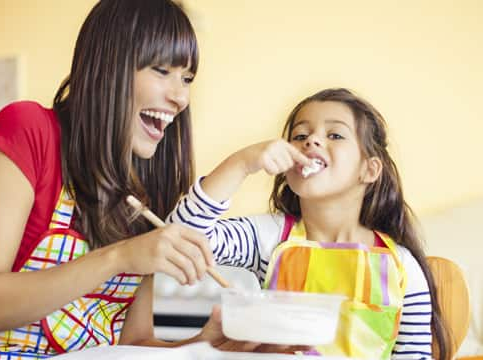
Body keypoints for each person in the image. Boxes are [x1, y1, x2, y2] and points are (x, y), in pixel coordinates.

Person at [0, 1, 279, 358]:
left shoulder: (152, 182)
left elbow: (132, 344)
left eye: (186, 79)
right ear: (109, 66)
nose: (180, 97)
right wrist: (120, 257)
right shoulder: (30, 132)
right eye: (161, 70)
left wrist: (207, 345)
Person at [168, 88, 450, 359]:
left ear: (369, 169)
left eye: (335, 134)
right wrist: (241, 163)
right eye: (300, 135)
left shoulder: (403, 266)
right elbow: (180, 237)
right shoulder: (269, 237)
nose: (311, 140)